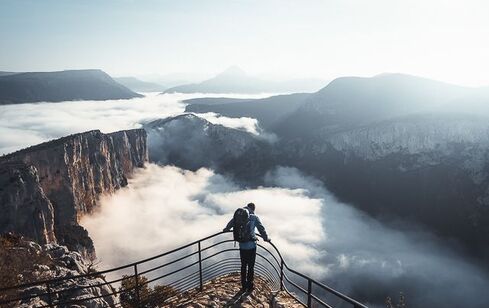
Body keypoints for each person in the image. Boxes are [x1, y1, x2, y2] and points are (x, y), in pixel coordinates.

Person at [223, 202, 270, 293]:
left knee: (243, 266)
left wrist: (226, 229)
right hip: (252, 246)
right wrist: (266, 238)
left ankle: (243, 285)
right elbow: (261, 229)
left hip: (242, 246)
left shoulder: (238, 216)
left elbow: (230, 225)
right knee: (251, 267)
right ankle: (250, 285)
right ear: (253, 209)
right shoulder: (254, 218)